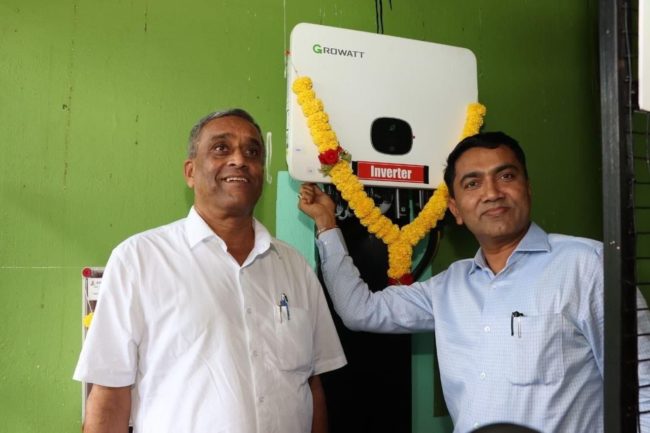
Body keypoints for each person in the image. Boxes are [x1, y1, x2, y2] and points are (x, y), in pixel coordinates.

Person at [298, 131, 650, 433]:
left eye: (506, 176)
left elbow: (643, 385)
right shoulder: (448, 288)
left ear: (528, 188)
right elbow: (360, 311)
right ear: (455, 209)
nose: (492, 192)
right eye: (472, 183)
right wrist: (328, 225)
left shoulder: (588, 266)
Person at [74, 108, 347, 433]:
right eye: (221, 148)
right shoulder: (138, 260)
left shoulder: (294, 267)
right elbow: (109, 395)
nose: (239, 160)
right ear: (190, 172)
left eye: (252, 152)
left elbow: (312, 386)